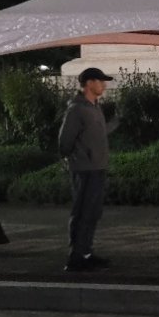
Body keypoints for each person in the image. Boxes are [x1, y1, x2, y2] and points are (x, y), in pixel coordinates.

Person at [56, 67, 116, 272]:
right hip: (84, 169)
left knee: (93, 212)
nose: (104, 85)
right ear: (89, 83)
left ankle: (86, 253)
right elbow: (65, 141)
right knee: (82, 211)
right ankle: (76, 256)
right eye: (100, 81)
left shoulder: (94, 107)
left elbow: (98, 133)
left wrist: (119, 121)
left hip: (97, 167)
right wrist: (75, 158)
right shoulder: (76, 109)